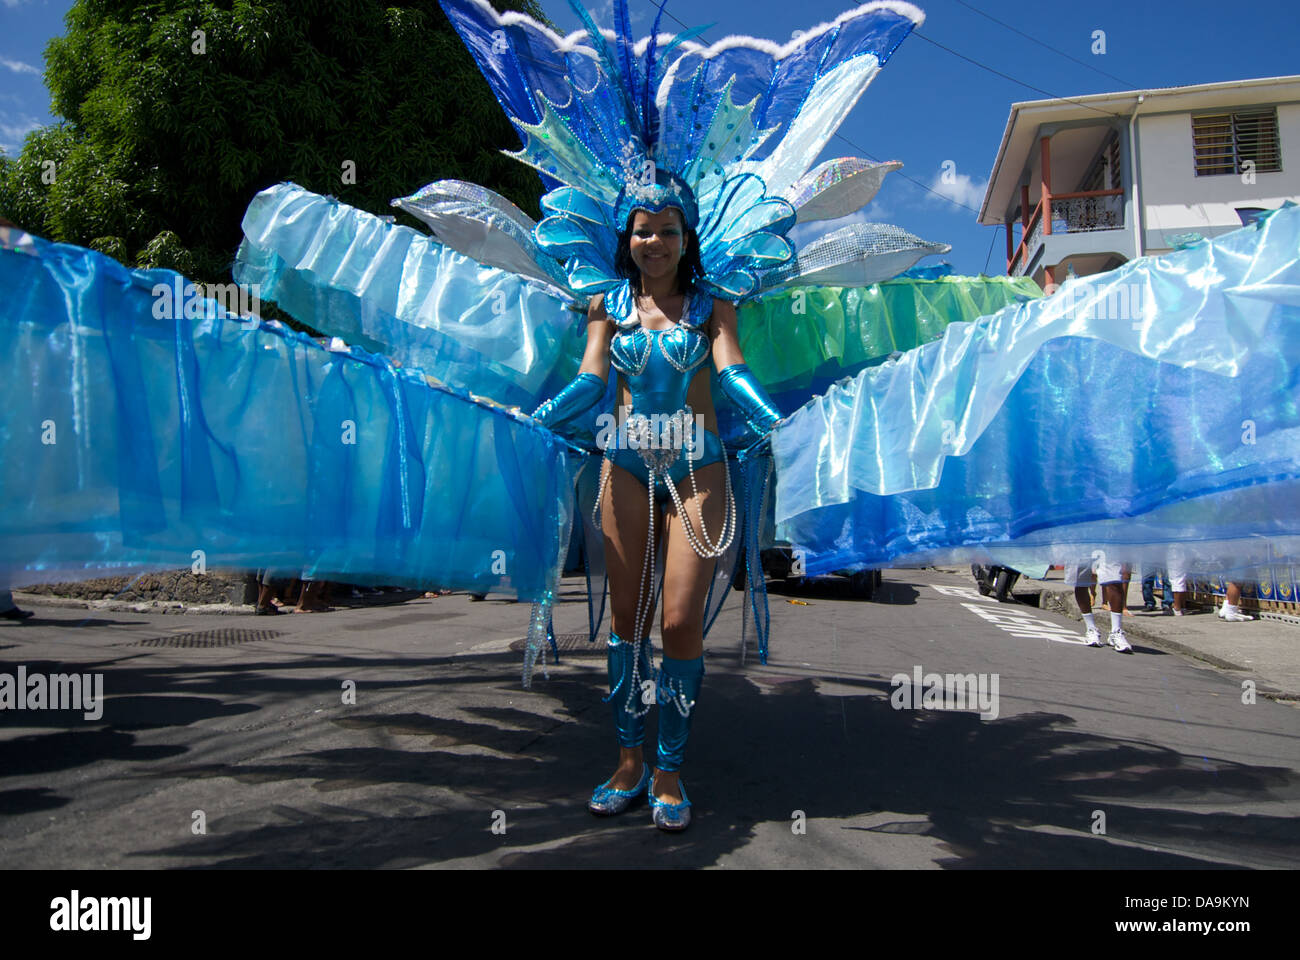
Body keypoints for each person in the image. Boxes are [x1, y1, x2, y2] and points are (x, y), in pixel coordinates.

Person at [531, 179, 781, 832]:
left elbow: (730, 371)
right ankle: (628, 760)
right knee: (628, 621)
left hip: (697, 467)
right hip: (625, 466)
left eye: (669, 230)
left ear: (687, 238)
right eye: (644, 230)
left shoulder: (711, 304)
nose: (656, 242)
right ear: (627, 238)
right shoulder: (606, 304)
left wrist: (776, 421)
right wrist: (533, 417)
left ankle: (670, 768)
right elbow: (590, 382)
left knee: (677, 623)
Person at [1067, 555, 1133, 653]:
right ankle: (1091, 629)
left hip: (1107, 541)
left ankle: (1116, 631)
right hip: (1082, 542)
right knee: (1081, 580)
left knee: (1115, 579)